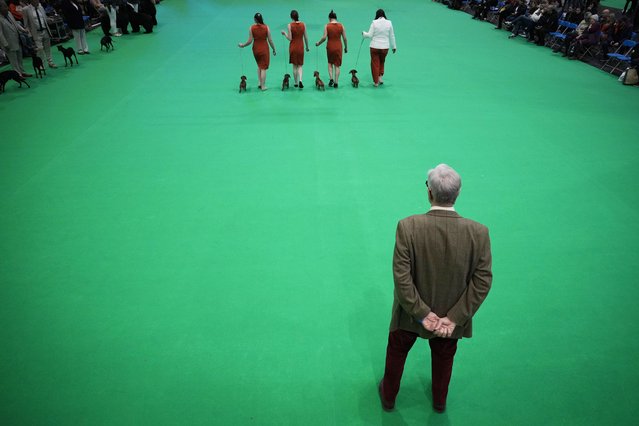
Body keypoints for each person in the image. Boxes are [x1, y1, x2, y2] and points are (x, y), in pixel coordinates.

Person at [379, 164, 493, 414]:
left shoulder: (407, 226)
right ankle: (440, 401)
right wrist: (453, 318)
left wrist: (422, 313)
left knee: (397, 351)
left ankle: (388, 397)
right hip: (449, 323)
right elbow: (482, 281)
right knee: (445, 356)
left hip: (409, 316)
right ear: (458, 192)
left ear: (429, 192)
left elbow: (402, 277)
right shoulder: (479, 232)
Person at [238, 12, 276, 91]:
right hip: (264, 49)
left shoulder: (251, 28)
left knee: (259, 65)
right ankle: (263, 86)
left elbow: (250, 40)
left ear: (255, 20)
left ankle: (259, 82)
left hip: (255, 49)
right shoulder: (266, 27)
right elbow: (270, 40)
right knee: (263, 68)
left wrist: (243, 45)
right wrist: (273, 48)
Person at [362, 9, 396, 87]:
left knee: (374, 64)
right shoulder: (389, 23)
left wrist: (364, 34)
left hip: (374, 47)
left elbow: (370, 35)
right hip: (385, 47)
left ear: (377, 15)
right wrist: (394, 47)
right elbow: (392, 35)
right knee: (382, 61)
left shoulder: (374, 22)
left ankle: (376, 82)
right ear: (384, 15)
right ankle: (380, 77)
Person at [315, 10, 347, 89]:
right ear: (336, 18)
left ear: (329, 18)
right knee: (337, 66)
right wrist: (346, 47)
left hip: (330, 47)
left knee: (330, 63)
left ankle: (331, 79)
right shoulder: (341, 26)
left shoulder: (327, 26)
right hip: (338, 46)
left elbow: (324, 37)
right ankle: (336, 82)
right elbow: (345, 38)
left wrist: (318, 43)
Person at [0, 0, 32, 76]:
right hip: (8, 43)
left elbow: (16, 24)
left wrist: (23, 30)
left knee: (19, 57)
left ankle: (22, 72)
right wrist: (5, 44)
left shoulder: (9, 14)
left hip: (17, 39)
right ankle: (18, 75)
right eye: (4, 6)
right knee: (14, 61)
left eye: (6, 6)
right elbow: (0, 34)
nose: (7, 8)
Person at [22, 0, 56, 68]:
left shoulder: (41, 7)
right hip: (36, 32)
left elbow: (45, 18)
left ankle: (50, 62)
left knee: (47, 47)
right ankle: (42, 64)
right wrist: (29, 34)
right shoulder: (25, 9)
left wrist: (50, 19)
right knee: (40, 49)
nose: (37, 1)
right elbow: (26, 24)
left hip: (45, 30)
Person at [281, 9, 308, 89]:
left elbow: (290, 38)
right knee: (300, 65)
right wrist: (307, 46)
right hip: (300, 47)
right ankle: (300, 80)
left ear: (291, 17)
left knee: (294, 66)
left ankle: (295, 82)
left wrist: (285, 33)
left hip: (293, 47)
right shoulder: (303, 24)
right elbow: (306, 37)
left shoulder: (289, 25)